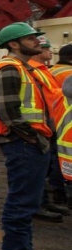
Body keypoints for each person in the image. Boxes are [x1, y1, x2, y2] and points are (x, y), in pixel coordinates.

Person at [0, 22, 60, 250]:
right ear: (14, 44)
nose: (37, 41)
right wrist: (35, 138)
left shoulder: (24, 68)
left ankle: (23, 249)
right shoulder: (10, 69)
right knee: (21, 202)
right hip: (24, 143)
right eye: (30, 38)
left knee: (29, 200)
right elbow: (9, 113)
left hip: (31, 142)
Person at [29, 37, 68, 220]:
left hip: (51, 123)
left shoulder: (45, 70)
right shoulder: (33, 70)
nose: (50, 51)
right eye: (45, 48)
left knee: (46, 166)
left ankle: (44, 201)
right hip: (40, 126)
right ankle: (37, 204)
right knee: (37, 170)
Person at [47, 44, 72, 207]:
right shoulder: (69, 74)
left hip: (54, 119)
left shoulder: (50, 70)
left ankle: (57, 191)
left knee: (56, 158)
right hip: (65, 121)